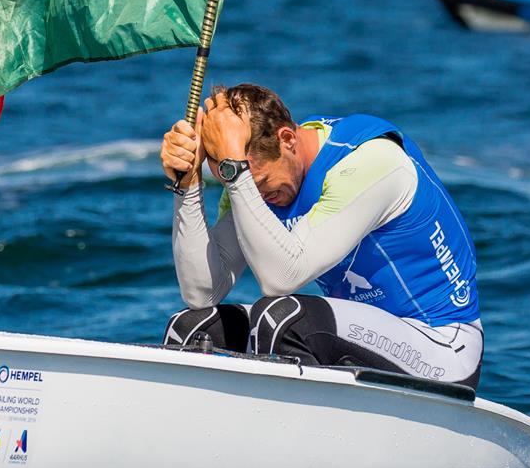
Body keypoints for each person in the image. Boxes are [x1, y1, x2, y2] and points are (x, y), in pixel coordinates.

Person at [159, 83, 483, 388]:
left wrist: (238, 171)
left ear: (287, 139)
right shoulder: (248, 179)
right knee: (193, 328)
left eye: (256, 180)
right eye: (231, 177)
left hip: (441, 347)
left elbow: (281, 279)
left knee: (282, 317)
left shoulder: (371, 162)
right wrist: (187, 186)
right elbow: (202, 292)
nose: (250, 192)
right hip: (358, 339)